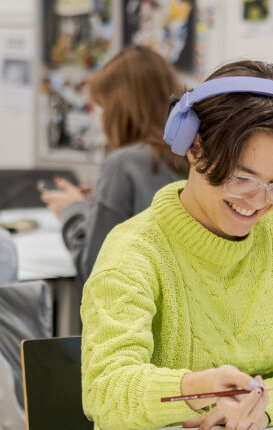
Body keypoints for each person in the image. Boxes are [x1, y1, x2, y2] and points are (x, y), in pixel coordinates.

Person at [81, 59, 273, 430]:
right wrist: (195, 390)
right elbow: (106, 390)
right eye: (242, 178)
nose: (258, 202)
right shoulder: (134, 251)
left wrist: (263, 406)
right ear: (194, 147)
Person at [40, 45, 188, 284]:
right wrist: (101, 201)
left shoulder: (122, 165)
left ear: (120, 107)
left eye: (102, 106)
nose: (99, 117)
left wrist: (72, 210)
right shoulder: (190, 157)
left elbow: (96, 270)